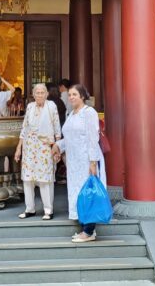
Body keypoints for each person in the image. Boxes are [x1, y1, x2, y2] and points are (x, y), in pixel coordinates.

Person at [52, 84, 106, 243]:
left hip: (86, 160)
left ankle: (89, 231)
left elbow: (92, 138)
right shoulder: (71, 114)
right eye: (69, 95)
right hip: (74, 162)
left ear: (82, 96)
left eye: (75, 94)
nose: (71, 97)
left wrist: (93, 162)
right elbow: (69, 138)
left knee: (88, 193)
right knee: (78, 193)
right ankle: (85, 228)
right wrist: (58, 146)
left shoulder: (88, 113)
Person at [14, 84, 61, 220]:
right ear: (33, 95)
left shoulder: (51, 106)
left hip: (45, 146)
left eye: (42, 92)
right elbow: (24, 128)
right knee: (28, 179)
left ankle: (48, 210)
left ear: (46, 94)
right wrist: (18, 148)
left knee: (45, 179)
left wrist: (57, 146)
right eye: (37, 93)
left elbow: (57, 127)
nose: (40, 95)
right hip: (29, 147)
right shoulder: (30, 106)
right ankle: (30, 209)